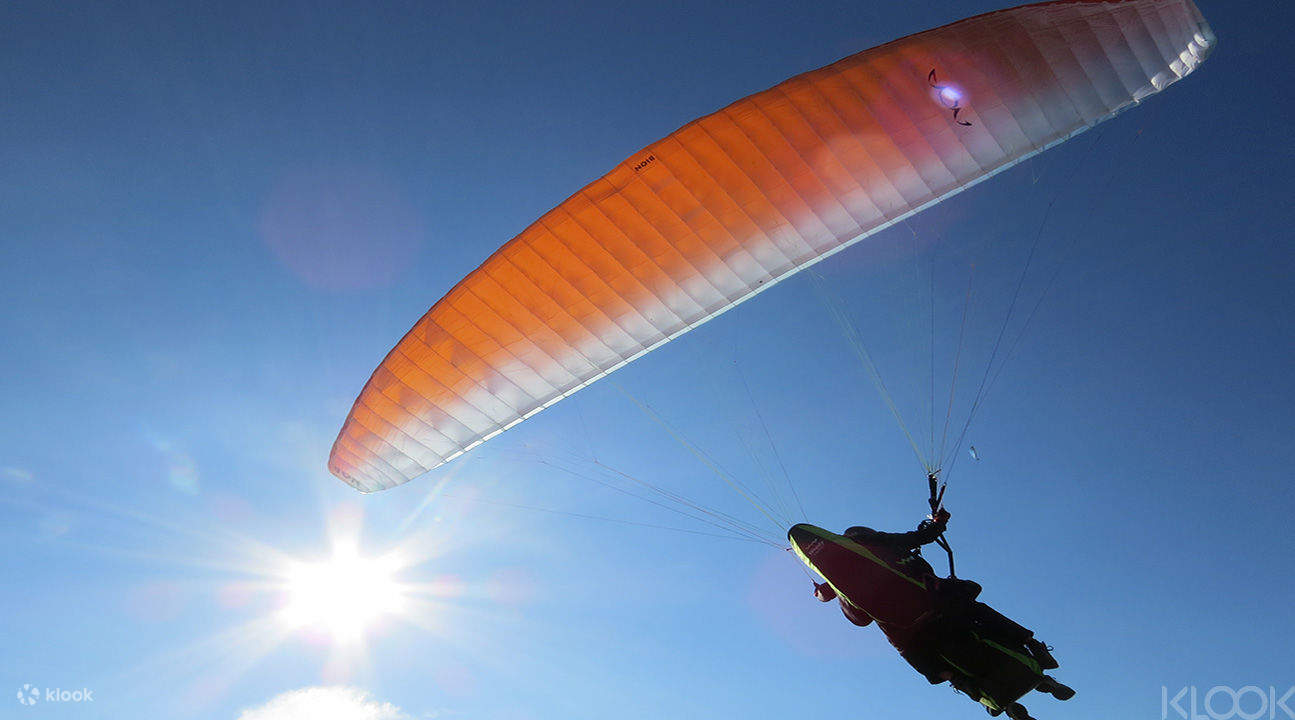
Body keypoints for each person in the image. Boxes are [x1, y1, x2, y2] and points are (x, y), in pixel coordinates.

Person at [812, 509, 1059, 678]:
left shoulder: (839, 581)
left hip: (905, 630)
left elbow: (855, 617)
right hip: (934, 600)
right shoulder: (880, 544)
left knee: (919, 658)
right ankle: (1031, 644)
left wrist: (819, 592)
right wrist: (939, 522)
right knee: (974, 609)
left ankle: (963, 683)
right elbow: (922, 536)